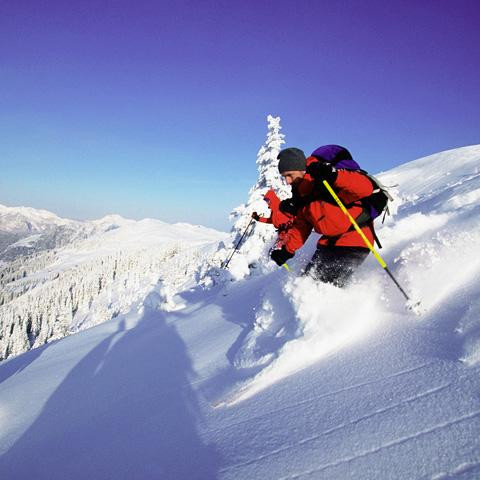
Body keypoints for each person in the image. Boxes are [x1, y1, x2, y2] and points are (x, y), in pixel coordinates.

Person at [270, 147, 375, 287]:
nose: (287, 181)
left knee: (321, 290)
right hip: (328, 244)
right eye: (284, 177)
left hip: (353, 240)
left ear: (301, 168)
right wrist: (286, 251)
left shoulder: (323, 174)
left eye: (290, 175)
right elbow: (302, 227)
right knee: (305, 286)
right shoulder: (302, 194)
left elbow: (365, 188)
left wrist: (334, 176)